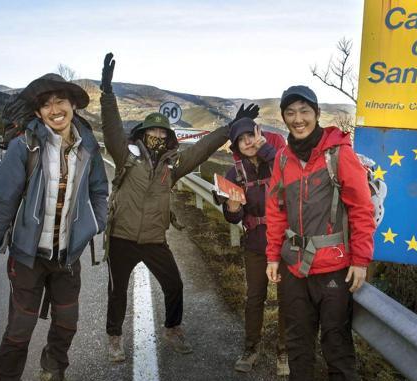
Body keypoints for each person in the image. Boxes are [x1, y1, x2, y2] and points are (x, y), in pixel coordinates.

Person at [99, 53, 260, 361]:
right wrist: (107, 93)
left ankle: (173, 329)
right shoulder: (126, 156)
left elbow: (200, 150)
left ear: (168, 137)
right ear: (143, 134)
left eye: (162, 132)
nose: (157, 136)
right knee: (117, 292)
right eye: (152, 131)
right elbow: (110, 128)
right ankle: (115, 338)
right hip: (121, 238)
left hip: (155, 240)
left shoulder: (172, 167)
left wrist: (230, 128)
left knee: (174, 285)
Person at [0, 73, 109, 381]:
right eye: (46, 105)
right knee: (19, 331)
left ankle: (52, 370)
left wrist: (94, 224)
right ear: (38, 112)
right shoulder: (24, 146)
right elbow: (1, 203)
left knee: (67, 324)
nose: (55, 110)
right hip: (27, 258)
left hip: (68, 258)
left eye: (60, 102)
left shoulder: (88, 146)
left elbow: (99, 191)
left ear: (73, 105)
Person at [265, 85, 376, 381]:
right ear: (284, 118)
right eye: (290, 113)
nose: (297, 119)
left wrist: (361, 260)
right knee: (298, 346)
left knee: (337, 348)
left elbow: (362, 209)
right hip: (293, 268)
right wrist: (273, 256)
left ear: (316, 114)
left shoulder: (338, 154)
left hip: (334, 268)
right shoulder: (283, 159)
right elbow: (275, 211)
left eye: (304, 111)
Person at [221, 117, 289, 375]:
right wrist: (232, 208)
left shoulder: (278, 160)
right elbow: (233, 218)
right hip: (257, 243)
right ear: (236, 145)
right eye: (241, 139)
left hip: (285, 242)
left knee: (287, 299)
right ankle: (251, 348)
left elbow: (294, 173)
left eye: (251, 135)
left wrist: (267, 150)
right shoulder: (234, 173)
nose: (247, 142)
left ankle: (284, 351)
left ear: (261, 134)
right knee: (254, 297)